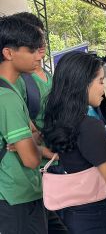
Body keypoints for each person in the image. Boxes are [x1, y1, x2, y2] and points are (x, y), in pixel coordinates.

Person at [42, 51, 106, 234]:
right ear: (83, 84)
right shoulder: (89, 126)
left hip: (71, 211)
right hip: (98, 213)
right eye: (100, 81)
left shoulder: (57, 118)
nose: (103, 89)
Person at [11, 12, 68, 234]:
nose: (41, 46)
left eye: (41, 39)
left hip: (56, 159)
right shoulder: (18, 83)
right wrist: (42, 150)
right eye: (33, 44)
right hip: (40, 166)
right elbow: (21, 138)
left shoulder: (47, 74)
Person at [0, 16, 46, 233]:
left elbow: (34, 133)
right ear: (8, 53)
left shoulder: (14, 87)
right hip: (15, 196)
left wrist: (31, 139)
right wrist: (34, 147)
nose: (39, 55)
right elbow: (30, 159)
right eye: (32, 49)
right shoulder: (6, 97)